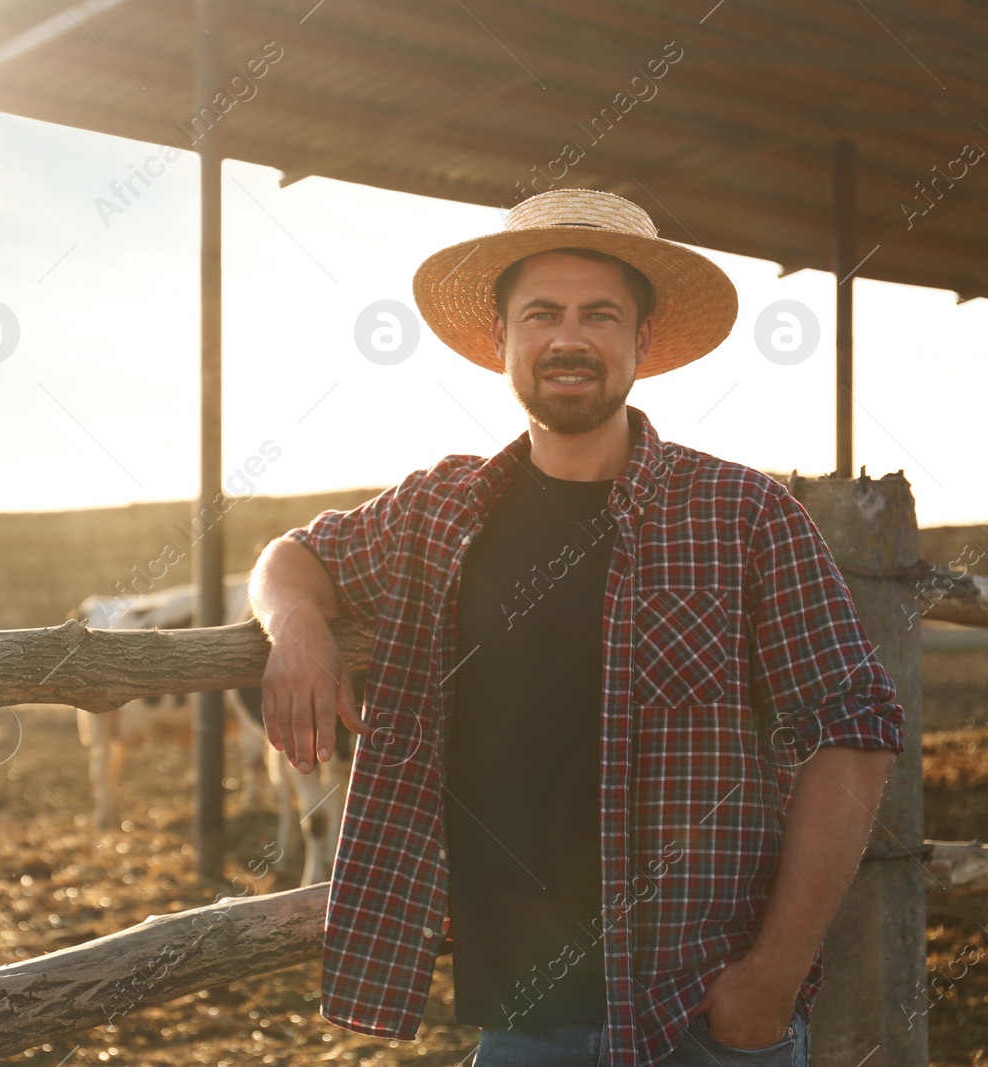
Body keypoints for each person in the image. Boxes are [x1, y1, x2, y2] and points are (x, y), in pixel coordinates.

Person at [247, 188, 903, 1066]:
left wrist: (771, 978)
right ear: (501, 341)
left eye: (600, 315)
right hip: (522, 1018)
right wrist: (297, 626)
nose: (569, 338)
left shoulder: (744, 514)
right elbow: (290, 556)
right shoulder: (439, 510)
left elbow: (854, 730)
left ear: (642, 342)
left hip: (701, 1014)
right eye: (542, 314)